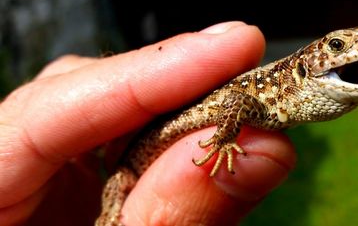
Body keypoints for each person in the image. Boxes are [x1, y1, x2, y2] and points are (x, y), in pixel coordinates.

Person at [0, 21, 296, 226]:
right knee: (119, 180)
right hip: (133, 162)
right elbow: (237, 102)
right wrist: (224, 140)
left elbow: (237, 102)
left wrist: (224, 139)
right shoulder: (120, 176)